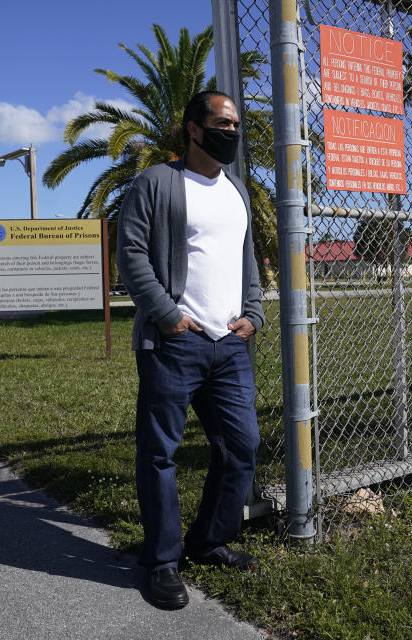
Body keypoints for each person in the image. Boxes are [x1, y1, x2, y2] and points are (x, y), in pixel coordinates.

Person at [116, 90, 264, 610]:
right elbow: (130, 253)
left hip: (229, 346)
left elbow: (247, 259)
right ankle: (161, 562)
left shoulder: (237, 191)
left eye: (236, 125)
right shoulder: (158, 182)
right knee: (160, 453)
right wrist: (168, 314)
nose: (232, 132)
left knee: (242, 446)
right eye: (222, 123)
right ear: (194, 129)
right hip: (175, 343)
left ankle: (208, 541)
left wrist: (254, 313)